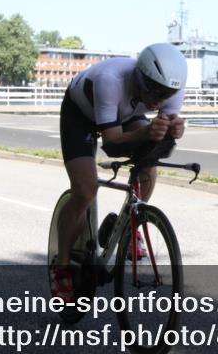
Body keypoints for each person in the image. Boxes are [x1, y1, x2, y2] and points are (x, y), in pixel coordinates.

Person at [52, 43, 187, 301]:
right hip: (81, 115)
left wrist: (172, 130)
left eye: (166, 95)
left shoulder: (172, 90)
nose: (158, 100)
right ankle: (62, 265)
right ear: (139, 77)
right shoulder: (110, 80)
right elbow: (112, 144)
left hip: (125, 113)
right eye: (153, 90)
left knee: (149, 164)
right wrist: (147, 131)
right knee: (85, 190)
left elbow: (161, 137)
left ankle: (129, 224)